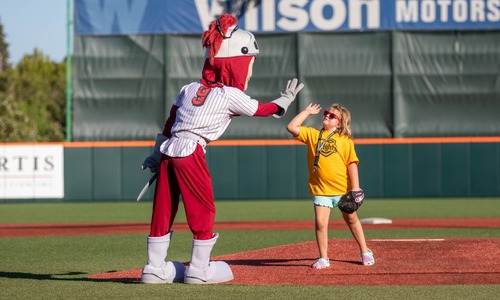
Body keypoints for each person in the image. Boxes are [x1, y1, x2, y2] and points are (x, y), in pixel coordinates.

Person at [140, 14, 304, 284]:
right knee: (203, 208)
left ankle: (154, 268)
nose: (250, 70)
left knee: (164, 208)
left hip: (170, 150)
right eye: (249, 63)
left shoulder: (189, 88)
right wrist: (284, 101)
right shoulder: (230, 94)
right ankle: (199, 270)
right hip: (191, 151)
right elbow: (261, 110)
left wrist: (157, 153)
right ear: (236, 63)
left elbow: (170, 121)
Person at [286, 103, 374, 269]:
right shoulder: (313, 135)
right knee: (320, 223)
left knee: (351, 219)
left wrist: (356, 188)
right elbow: (291, 127)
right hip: (321, 189)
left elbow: (352, 164)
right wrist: (306, 112)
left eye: (332, 115)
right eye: (326, 113)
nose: (327, 116)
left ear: (339, 123)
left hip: (343, 190)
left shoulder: (344, 140)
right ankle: (324, 258)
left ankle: (365, 250)